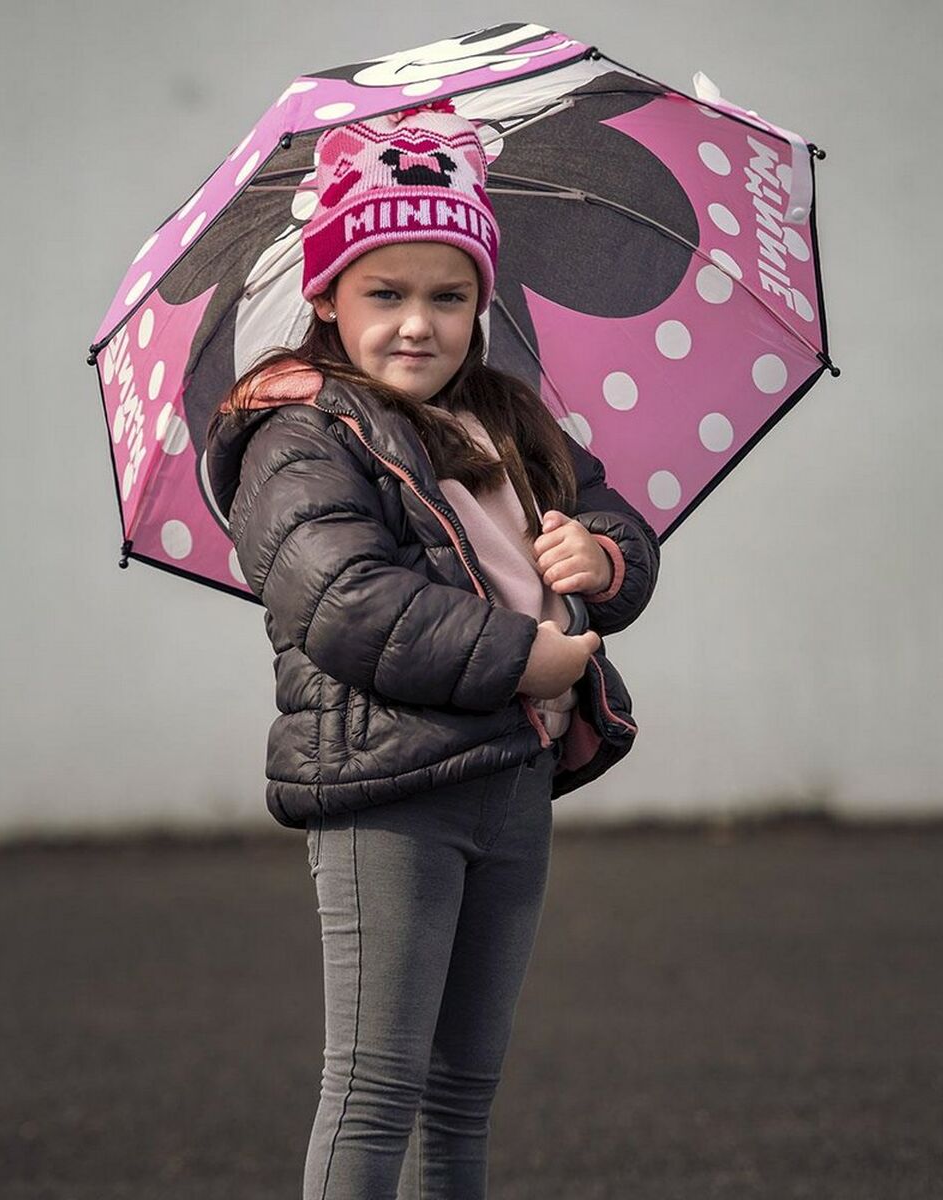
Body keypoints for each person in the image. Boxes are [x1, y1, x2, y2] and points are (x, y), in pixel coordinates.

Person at [205, 100, 660, 1200]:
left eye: (449, 296)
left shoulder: (510, 417)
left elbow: (619, 523)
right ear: (326, 298)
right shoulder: (300, 433)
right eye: (387, 294)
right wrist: (525, 659)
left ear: (481, 302)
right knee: (374, 1091)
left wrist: (602, 560)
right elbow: (351, 603)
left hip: (510, 774)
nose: (420, 323)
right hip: (388, 786)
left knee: (462, 1097)